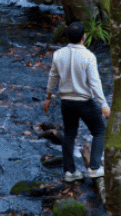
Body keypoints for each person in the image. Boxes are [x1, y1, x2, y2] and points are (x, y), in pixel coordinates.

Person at [43, 22, 110, 182]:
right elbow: (95, 83)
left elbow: (53, 77)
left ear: (68, 37)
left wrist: (48, 97)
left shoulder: (58, 54)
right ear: (83, 37)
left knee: (69, 134)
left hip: (66, 102)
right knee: (99, 130)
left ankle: (70, 172)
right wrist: (103, 104)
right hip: (84, 102)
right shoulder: (88, 56)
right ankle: (94, 167)